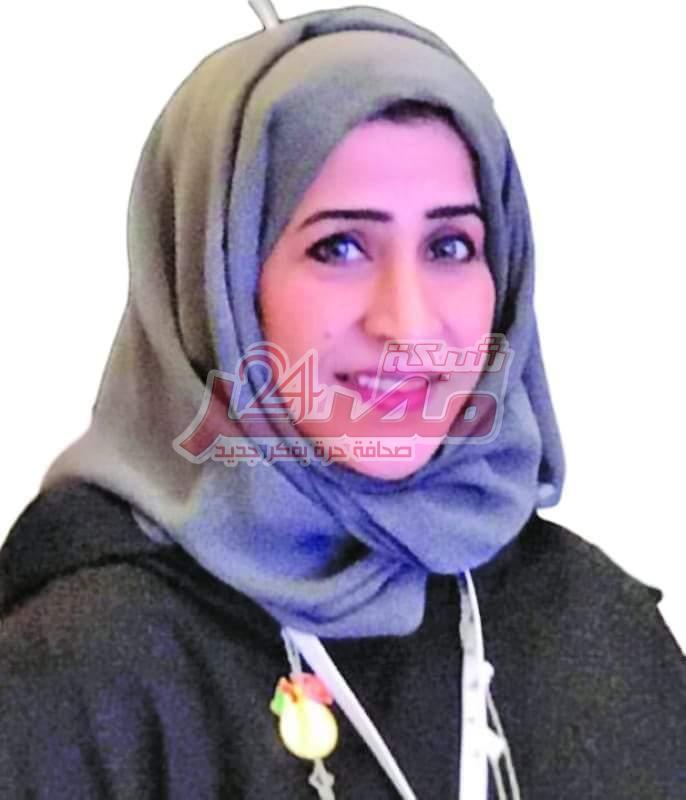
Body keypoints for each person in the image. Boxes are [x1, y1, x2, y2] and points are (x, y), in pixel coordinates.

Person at [1, 3, 684, 798]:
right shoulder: (75, 674)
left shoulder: (592, 623)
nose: (409, 323)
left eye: (450, 245)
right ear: (213, 285)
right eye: (340, 246)